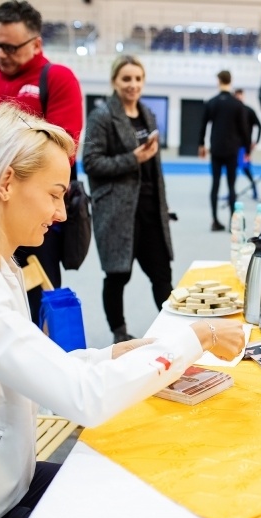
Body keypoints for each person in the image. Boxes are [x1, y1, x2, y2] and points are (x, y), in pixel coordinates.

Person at [0, 103, 245, 518]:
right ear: (5, 183)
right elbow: (83, 399)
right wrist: (195, 337)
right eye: (55, 194)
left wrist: (110, 355)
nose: (61, 214)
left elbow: (34, 370)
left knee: (137, 493)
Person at [0, 0, 83, 323]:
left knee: (40, 300)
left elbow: (62, 150)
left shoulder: (57, 79)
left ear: (36, 44)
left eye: (10, 47)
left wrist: (0, 160)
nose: (1, 54)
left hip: (35, 213)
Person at [83, 56, 174, 343]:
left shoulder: (148, 114)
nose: (132, 84)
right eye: (126, 79)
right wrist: (131, 159)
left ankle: (173, 328)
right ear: (114, 82)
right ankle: (119, 333)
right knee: (117, 276)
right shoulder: (101, 117)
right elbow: (91, 162)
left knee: (162, 275)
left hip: (150, 209)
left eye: (137, 79)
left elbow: (154, 169)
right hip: (118, 211)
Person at [198, 70, 250, 231]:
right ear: (231, 81)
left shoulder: (212, 102)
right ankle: (232, 223)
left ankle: (215, 220)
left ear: (218, 81)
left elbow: (203, 125)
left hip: (216, 149)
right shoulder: (237, 104)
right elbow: (244, 129)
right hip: (232, 150)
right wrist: (247, 148)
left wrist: (201, 145)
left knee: (215, 184)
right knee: (231, 186)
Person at [234, 88, 261, 199]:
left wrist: (256, 141)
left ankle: (255, 190)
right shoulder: (231, 112)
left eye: (240, 95)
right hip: (233, 146)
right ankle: (232, 192)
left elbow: (259, 125)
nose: (238, 98)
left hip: (244, 147)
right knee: (232, 171)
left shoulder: (248, 111)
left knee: (246, 170)